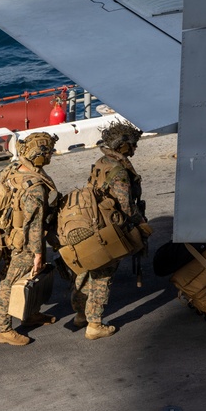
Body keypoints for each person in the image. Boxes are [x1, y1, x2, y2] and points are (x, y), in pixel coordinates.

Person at [71, 121, 149, 340]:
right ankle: (94, 324)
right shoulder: (119, 171)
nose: (134, 149)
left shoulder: (101, 162)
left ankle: (80, 314)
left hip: (93, 222)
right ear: (123, 147)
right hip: (109, 228)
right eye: (132, 145)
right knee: (103, 274)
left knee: (86, 269)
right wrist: (140, 224)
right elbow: (126, 205)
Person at [0, 132, 59, 346]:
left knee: (31, 279)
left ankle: (30, 313)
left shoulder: (13, 170)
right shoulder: (35, 188)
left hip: (9, 233)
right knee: (11, 282)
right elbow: (35, 225)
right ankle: (2, 328)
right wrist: (38, 254)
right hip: (25, 241)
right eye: (47, 152)